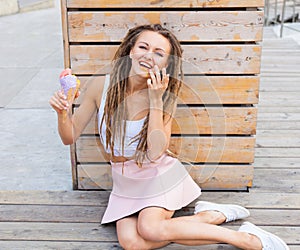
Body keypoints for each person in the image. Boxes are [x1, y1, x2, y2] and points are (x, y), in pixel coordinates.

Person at [50, 24, 289, 250]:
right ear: (130, 50)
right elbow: (69, 137)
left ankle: (247, 239)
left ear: (165, 63)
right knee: (132, 243)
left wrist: (155, 101)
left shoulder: (165, 95)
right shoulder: (101, 87)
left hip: (158, 174)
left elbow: (155, 153)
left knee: (150, 228)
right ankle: (210, 216)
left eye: (158, 53)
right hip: (125, 182)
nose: (148, 56)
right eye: (143, 47)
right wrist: (63, 113)